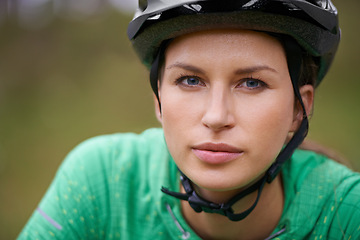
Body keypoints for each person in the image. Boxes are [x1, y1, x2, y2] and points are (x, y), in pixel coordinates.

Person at [18, 0, 360, 239]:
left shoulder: (347, 213)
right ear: (159, 100)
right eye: (190, 80)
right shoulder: (102, 182)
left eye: (252, 83)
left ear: (299, 108)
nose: (216, 117)